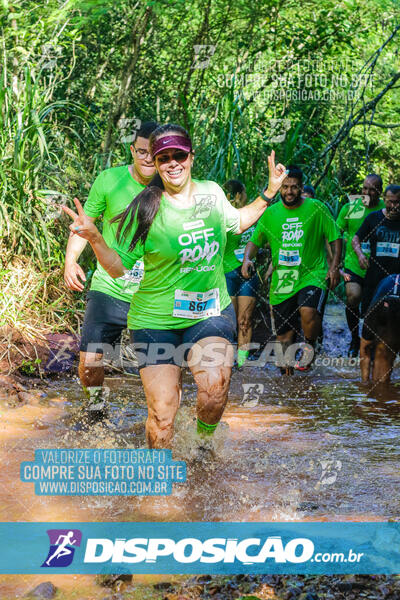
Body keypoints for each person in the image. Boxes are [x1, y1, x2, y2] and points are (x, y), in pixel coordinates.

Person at [62, 124, 288, 448]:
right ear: (155, 163)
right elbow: (117, 268)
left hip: (208, 312)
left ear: (191, 157)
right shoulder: (145, 206)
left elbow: (238, 220)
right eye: (163, 157)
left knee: (214, 391)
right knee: (163, 415)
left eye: (178, 155)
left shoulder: (211, 193)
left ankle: (201, 443)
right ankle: (159, 483)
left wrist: (269, 191)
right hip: (155, 320)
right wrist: (96, 239)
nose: (172, 163)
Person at [63, 120, 159, 420]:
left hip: (156, 290)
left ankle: (160, 422)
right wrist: (71, 260)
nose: (146, 158)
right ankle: (96, 410)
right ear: (133, 150)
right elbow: (84, 224)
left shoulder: (172, 186)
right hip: (110, 285)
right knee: (90, 360)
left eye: (153, 153)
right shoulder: (109, 180)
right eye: (141, 151)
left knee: (162, 367)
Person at [242, 165, 342, 374]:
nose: (289, 192)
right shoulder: (270, 214)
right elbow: (254, 241)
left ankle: (310, 346)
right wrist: (246, 259)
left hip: (311, 274)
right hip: (283, 279)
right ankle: (288, 387)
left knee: (308, 311)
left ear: (301, 187)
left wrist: (334, 268)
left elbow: (335, 238)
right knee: (283, 338)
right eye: (285, 187)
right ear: (279, 189)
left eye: (294, 187)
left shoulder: (317, 208)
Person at [336, 174, 385, 357]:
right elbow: (336, 234)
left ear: (379, 191)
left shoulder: (386, 208)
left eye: (372, 189)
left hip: (379, 267)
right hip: (353, 264)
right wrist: (335, 263)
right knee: (353, 296)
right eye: (364, 188)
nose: (366, 192)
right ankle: (354, 339)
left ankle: (374, 341)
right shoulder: (352, 207)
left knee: (376, 306)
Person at [223, 179, 267, 368]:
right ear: (239, 195)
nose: (247, 197)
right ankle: (226, 360)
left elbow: (262, 240)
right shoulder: (222, 215)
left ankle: (241, 363)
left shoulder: (254, 215)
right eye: (245, 193)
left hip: (249, 274)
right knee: (229, 321)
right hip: (227, 273)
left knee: (245, 320)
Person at [352, 184, 400, 317]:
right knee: (369, 317)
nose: (394, 206)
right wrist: (360, 255)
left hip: (397, 279)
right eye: (390, 201)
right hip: (374, 277)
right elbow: (355, 239)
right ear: (384, 200)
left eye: (397, 202)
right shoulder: (373, 218)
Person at [360, 274, 400, 383]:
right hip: (383, 302)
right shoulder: (373, 315)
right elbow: (365, 349)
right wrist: (365, 383)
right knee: (384, 354)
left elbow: (365, 349)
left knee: (385, 354)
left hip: (388, 311)